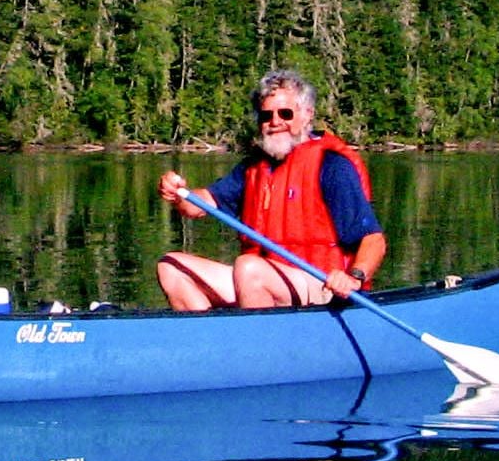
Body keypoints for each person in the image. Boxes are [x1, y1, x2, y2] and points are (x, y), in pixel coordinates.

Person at [154, 69, 386, 310]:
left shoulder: (331, 166)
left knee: (249, 268)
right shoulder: (254, 168)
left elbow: (374, 239)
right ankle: (213, 333)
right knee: (171, 267)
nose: (275, 122)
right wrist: (178, 193)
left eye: (285, 113)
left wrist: (355, 277)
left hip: (322, 286)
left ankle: (260, 333)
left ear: (307, 115)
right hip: (261, 278)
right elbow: (199, 204)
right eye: (267, 115)